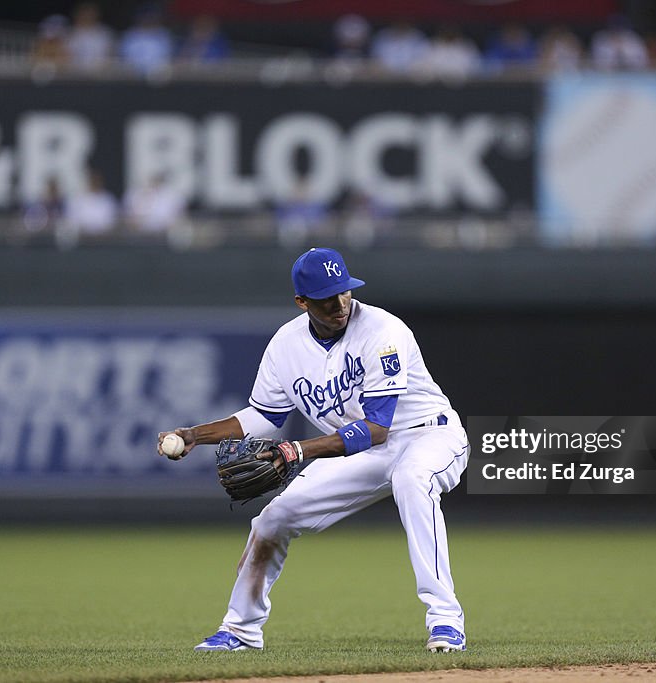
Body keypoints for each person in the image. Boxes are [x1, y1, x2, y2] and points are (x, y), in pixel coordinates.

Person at [158, 247, 470, 653]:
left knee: (413, 480)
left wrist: (297, 451)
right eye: (326, 297)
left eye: (344, 291)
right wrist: (196, 435)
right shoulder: (286, 346)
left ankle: (446, 621)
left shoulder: (383, 330)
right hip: (359, 452)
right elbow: (262, 415)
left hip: (429, 436)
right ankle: (240, 630)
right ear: (301, 302)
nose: (340, 303)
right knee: (273, 519)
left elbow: (377, 427)